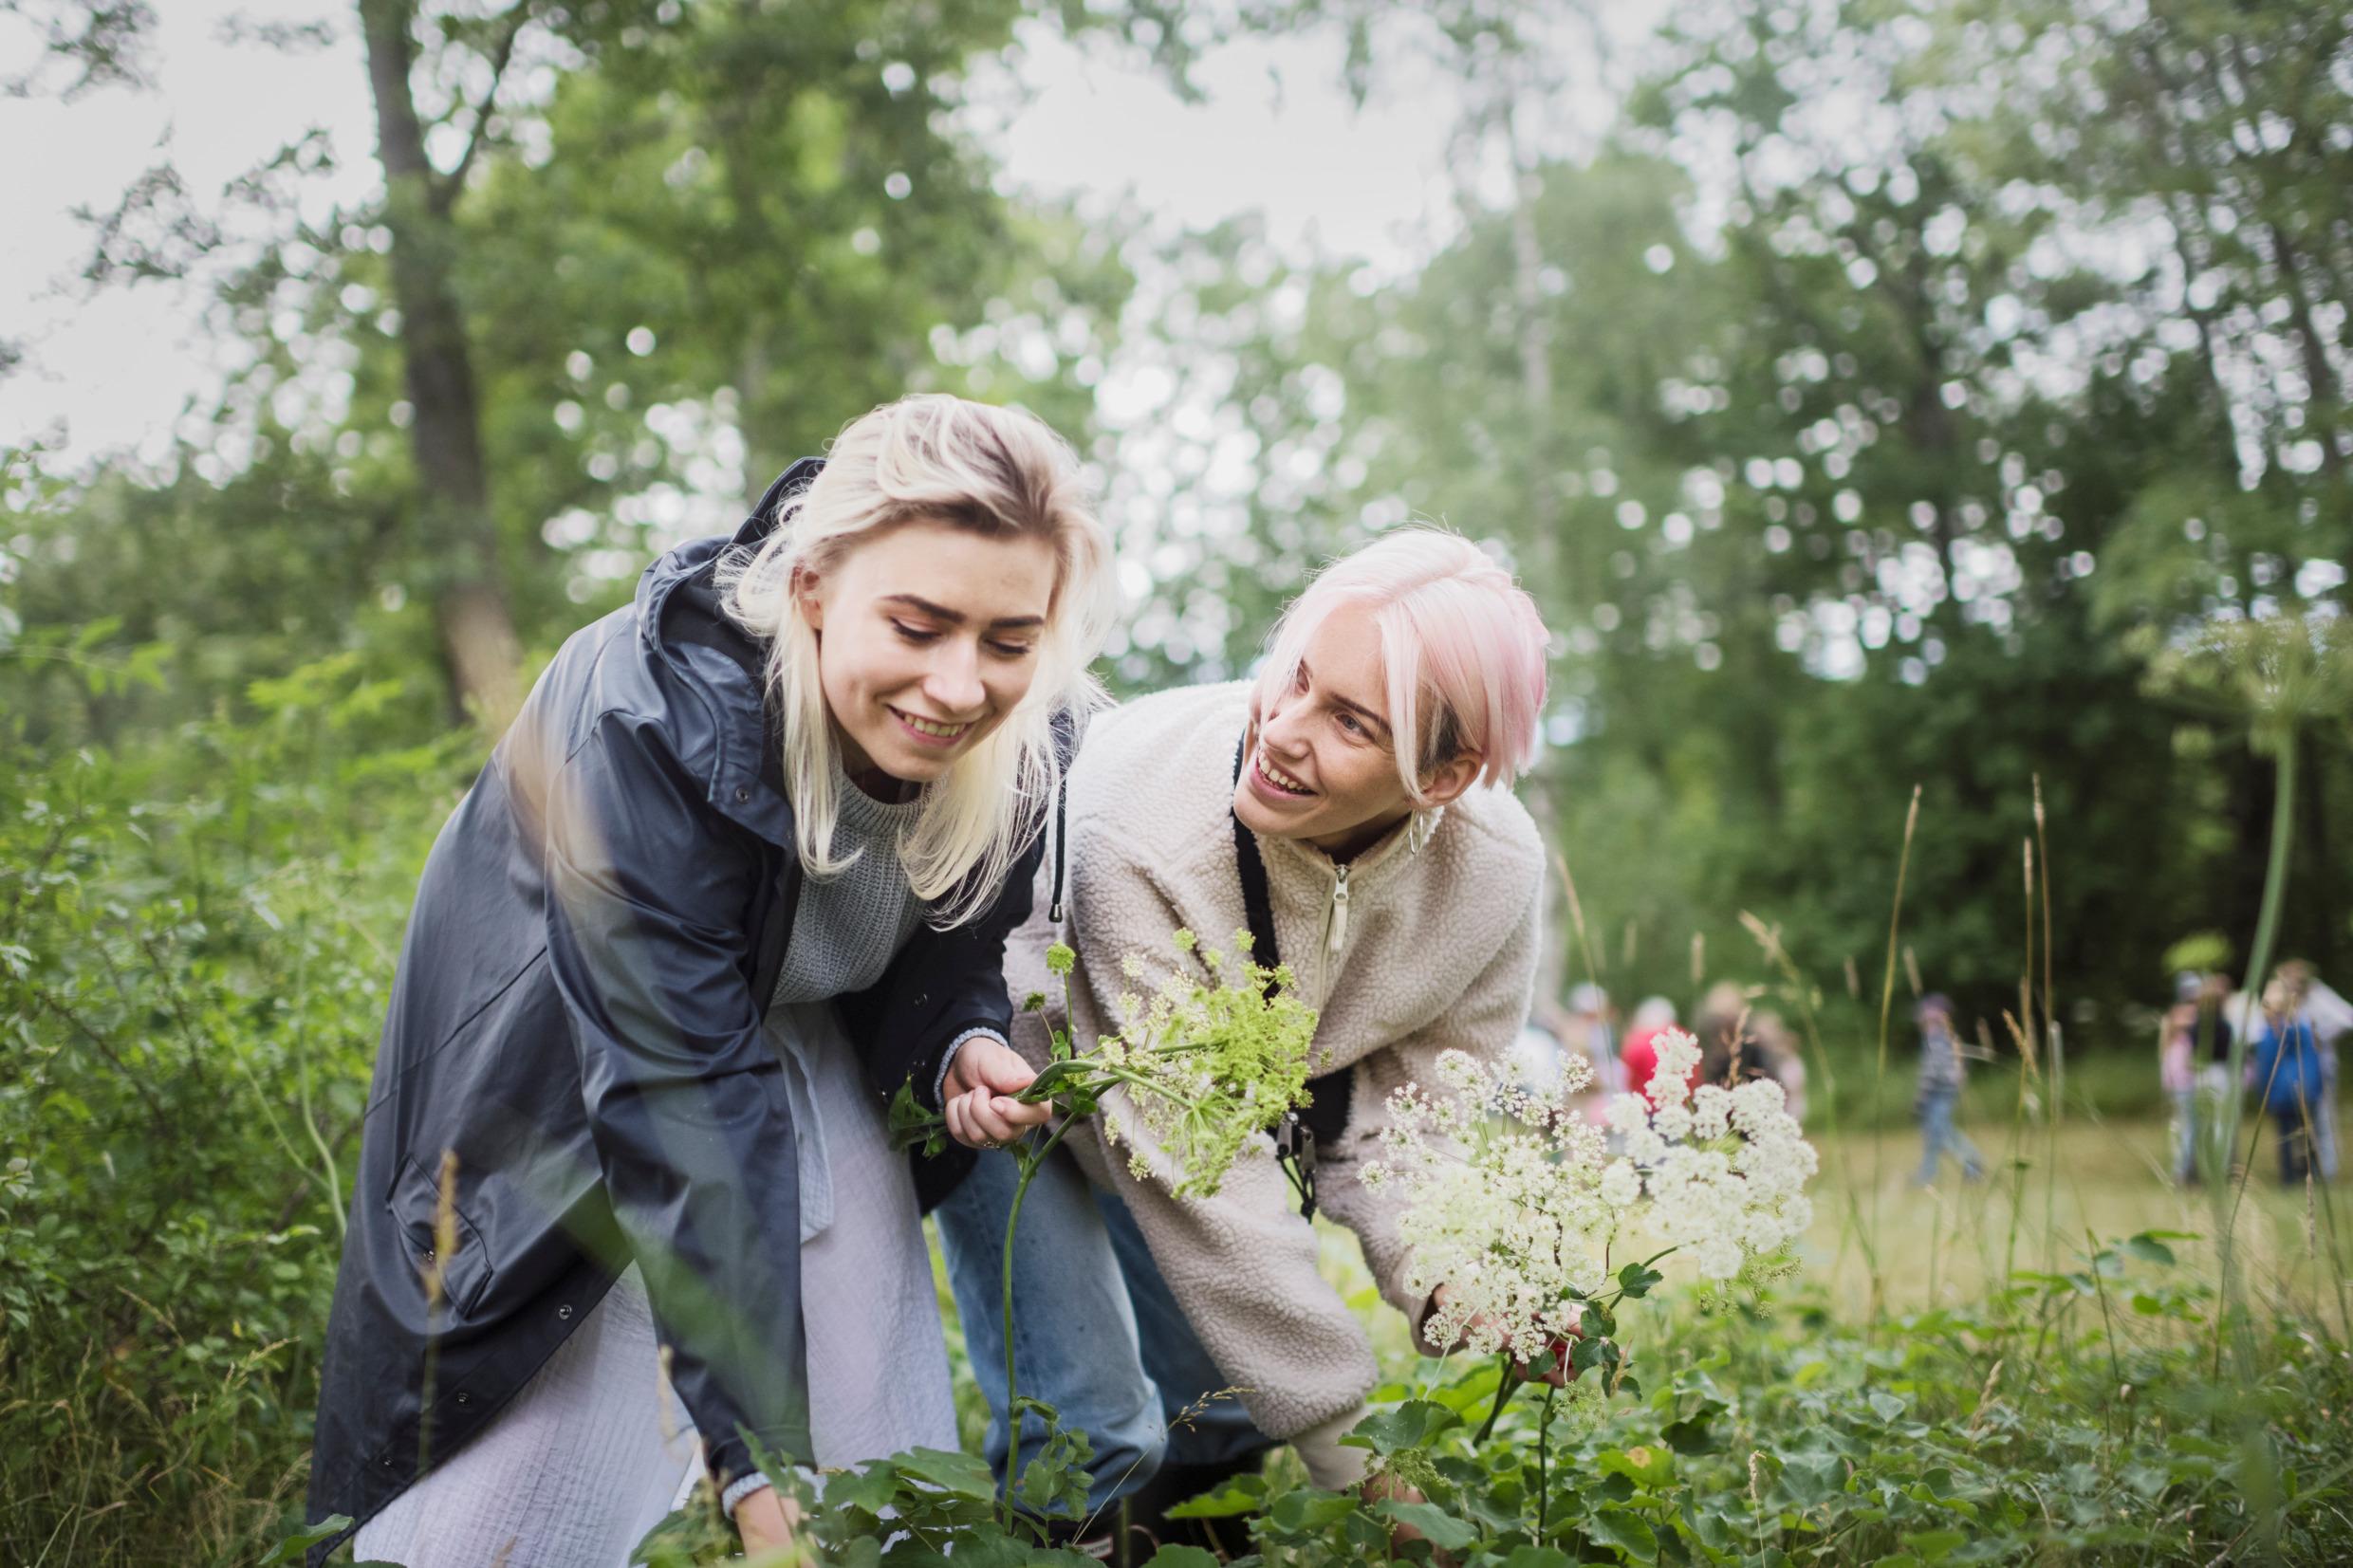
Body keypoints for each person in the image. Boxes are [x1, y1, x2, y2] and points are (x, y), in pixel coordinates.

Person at [305, 397, 1115, 1567]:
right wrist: (758, 1474)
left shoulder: (1027, 740)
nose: (957, 687)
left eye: (1005, 640)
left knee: (870, 1429)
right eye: (919, 624)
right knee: (513, 1485)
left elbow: (943, 945)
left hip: (791, 1036)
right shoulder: (643, 710)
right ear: (813, 589)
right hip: (565, 1067)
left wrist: (958, 1042)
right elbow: (684, 1098)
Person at [929, 527, 1552, 1540]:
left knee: (1217, 1412)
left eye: (1347, 720)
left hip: (1199, 1116)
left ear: (1442, 778)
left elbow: (1416, 1120)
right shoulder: (1143, 830)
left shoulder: (1492, 874)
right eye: (1293, 675)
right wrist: (1363, 1462)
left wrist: (1460, 1282)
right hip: (1014, 1083)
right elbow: (1204, 1182)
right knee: (1088, 1427)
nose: (1282, 730)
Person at [2250, 975, 2326, 1185]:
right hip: (2306, 1089)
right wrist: (2317, 1088)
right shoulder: (2303, 1030)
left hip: (2280, 1093)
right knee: (2307, 1135)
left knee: (2285, 1137)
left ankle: (2289, 1178)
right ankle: (2312, 1174)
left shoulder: (2269, 1036)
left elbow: (2265, 1068)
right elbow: (2315, 1061)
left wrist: (2263, 1095)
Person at [2279, 960, 2348, 1180]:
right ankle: (2307, 1168)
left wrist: (2319, 1035)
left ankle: (2327, 1171)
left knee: (2323, 1118)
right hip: (2297, 1069)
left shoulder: (2319, 995)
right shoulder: (2287, 1000)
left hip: (2321, 1066)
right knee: (2301, 1121)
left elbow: (2347, 1018)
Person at [1913, 994, 1983, 1186]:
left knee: (1940, 1133)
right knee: (1935, 1134)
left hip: (1938, 1093)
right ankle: (1928, 1173)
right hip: (1941, 1092)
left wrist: (1921, 1096)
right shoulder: (1941, 1037)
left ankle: (1973, 1164)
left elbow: (1933, 1071)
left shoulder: (1937, 1039)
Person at [1621, 996, 1695, 1107]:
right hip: (1681, 1104)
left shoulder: (1637, 1041)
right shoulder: (1684, 1037)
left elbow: (1627, 1074)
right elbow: (1694, 1073)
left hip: (1647, 1105)